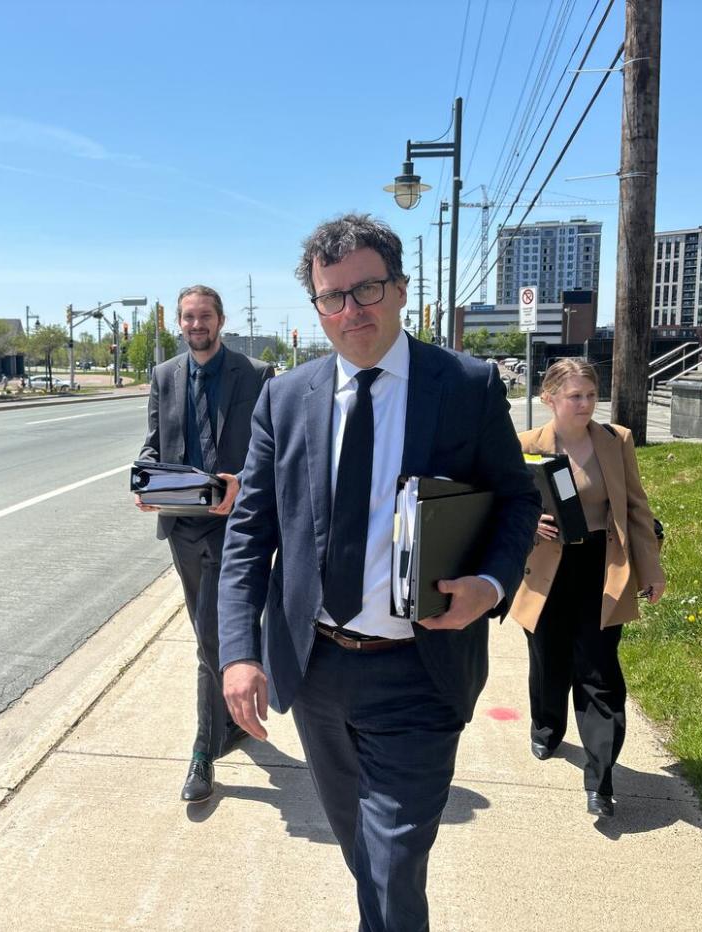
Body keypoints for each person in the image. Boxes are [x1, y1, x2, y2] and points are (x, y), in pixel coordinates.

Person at [218, 214, 539, 931]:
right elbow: (249, 535)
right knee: (361, 851)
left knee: (394, 864)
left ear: (399, 289)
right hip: (316, 671)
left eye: (365, 289)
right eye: (332, 297)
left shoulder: (465, 385)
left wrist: (489, 587)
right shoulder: (286, 398)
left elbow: (517, 502)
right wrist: (240, 652)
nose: (349, 310)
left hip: (420, 669)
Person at [507, 357, 665, 818]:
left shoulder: (616, 441)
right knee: (548, 659)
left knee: (598, 672)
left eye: (591, 395)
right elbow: (503, 505)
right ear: (549, 398)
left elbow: (637, 508)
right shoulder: (525, 445)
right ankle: (546, 725)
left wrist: (650, 570)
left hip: (602, 566)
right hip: (546, 569)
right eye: (574, 396)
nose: (585, 404)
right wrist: (528, 522)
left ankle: (601, 779)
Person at [136, 284, 274, 802]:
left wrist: (240, 480)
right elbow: (155, 442)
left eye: (205, 316)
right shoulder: (164, 376)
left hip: (234, 525)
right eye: (188, 318)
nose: (197, 325)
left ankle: (202, 750)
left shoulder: (255, 375)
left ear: (221, 320)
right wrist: (145, 480)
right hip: (183, 525)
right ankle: (231, 724)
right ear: (180, 322)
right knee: (207, 629)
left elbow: (269, 451)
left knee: (211, 638)